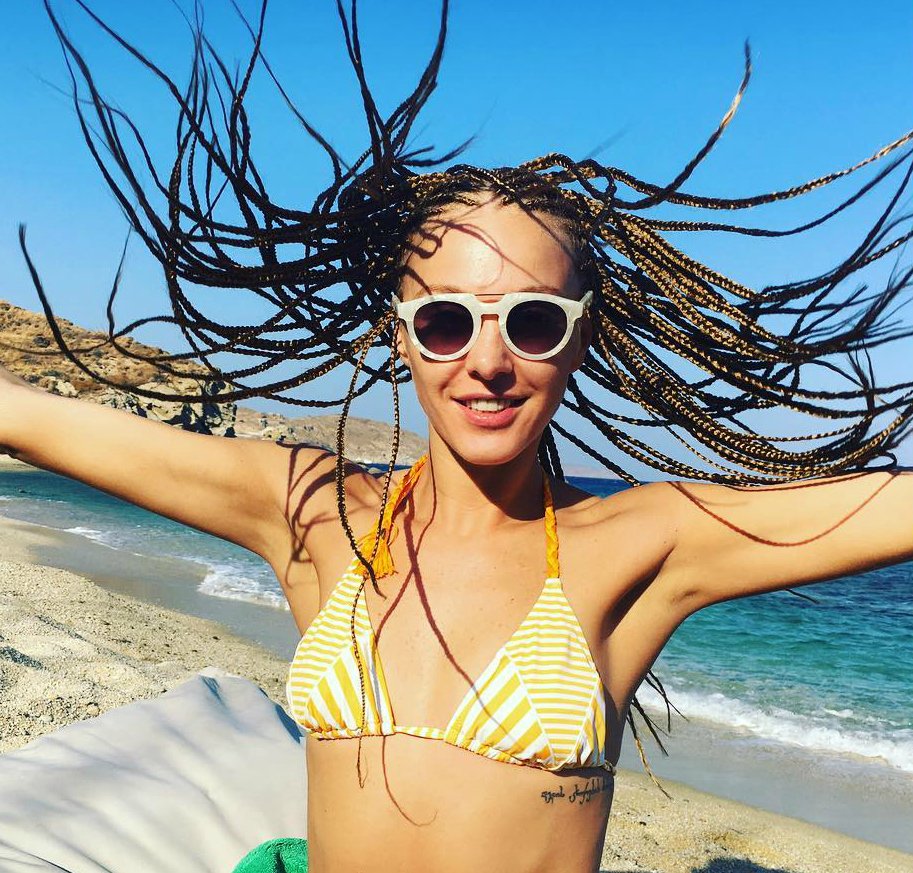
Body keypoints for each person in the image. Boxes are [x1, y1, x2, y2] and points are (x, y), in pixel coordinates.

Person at [2, 2, 912, 871]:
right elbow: (35, 419)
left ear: (579, 339)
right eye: (444, 322)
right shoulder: (315, 512)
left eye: (532, 322)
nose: (488, 363)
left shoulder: (645, 540)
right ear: (399, 335)